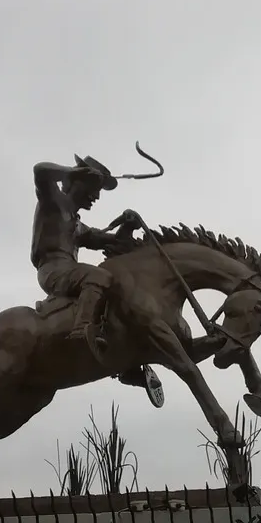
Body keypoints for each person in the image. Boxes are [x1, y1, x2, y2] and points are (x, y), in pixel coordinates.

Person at [30, 154, 164, 404]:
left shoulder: (77, 225)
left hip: (70, 269)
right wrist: (72, 171)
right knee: (99, 277)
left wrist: (128, 225)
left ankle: (127, 366)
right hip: (52, 270)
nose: (97, 197)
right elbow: (40, 170)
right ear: (77, 183)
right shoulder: (52, 201)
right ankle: (81, 334)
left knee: (116, 285)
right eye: (93, 189)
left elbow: (112, 241)